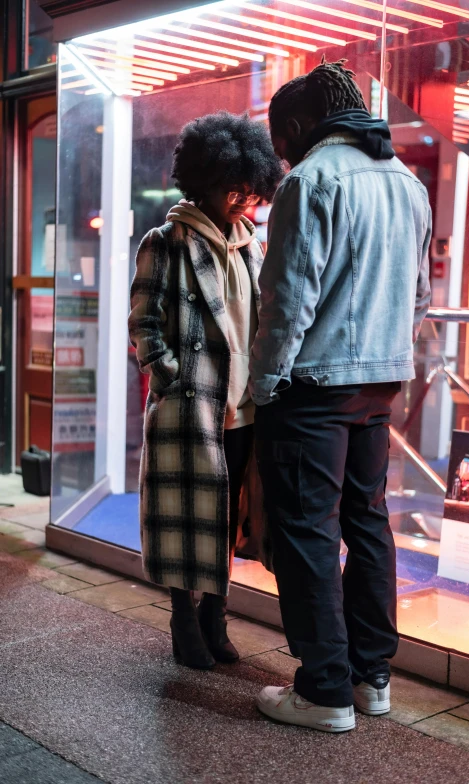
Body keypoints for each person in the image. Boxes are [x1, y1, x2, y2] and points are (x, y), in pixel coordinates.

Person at [249, 58, 432, 732]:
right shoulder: (407, 182)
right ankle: (370, 679)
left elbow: (287, 302)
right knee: (368, 524)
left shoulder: (311, 180)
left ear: (299, 126)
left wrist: (264, 386)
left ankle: (323, 691)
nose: (279, 157)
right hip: (379, 385)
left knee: (307, 534)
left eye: (279, 142)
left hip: (316, 388)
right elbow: (420, 296)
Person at [129, 112, 283, 670]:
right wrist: (171, 377)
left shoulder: (251, 247)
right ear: (208, 182)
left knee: (227, 518)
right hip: (189, 407)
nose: (244, 201)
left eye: (249, 191)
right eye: (235, 190)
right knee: (184, 518)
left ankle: (215, 616)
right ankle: (182, 618)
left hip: (242, 408)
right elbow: (144, 324)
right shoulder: (165, 241)